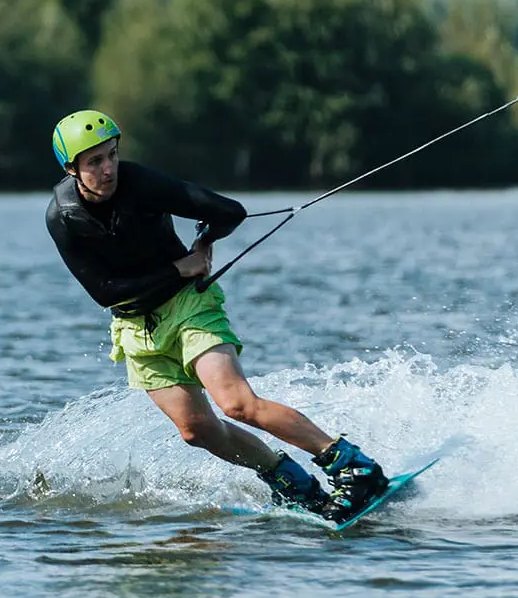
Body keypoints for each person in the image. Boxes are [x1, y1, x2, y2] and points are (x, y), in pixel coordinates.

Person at [46, 109, 388, 522]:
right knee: (196, 431)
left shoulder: (141, 183)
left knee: (237, 404)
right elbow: (104, 292)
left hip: (189, 307)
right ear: (72, 169)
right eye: (94, 162)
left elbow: (230, 211)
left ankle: (352, 465)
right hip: (137, 329)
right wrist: (179, 266)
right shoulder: (63, 218)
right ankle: (290, 481)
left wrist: (203, 241)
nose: (108, 169)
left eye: (112, 155)